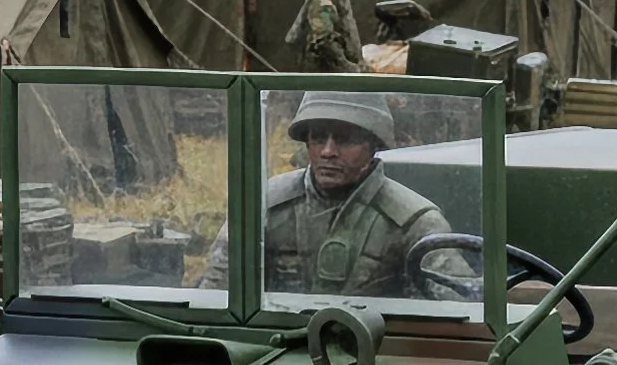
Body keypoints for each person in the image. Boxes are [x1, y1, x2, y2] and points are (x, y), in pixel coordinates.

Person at [200, 92, 466, 298]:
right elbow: (215, 295)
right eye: (318, 138)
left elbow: (459, 312)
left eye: (345, 139)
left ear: (373, 145)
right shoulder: (265, 205)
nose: (328, 151)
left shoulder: (414, 222)